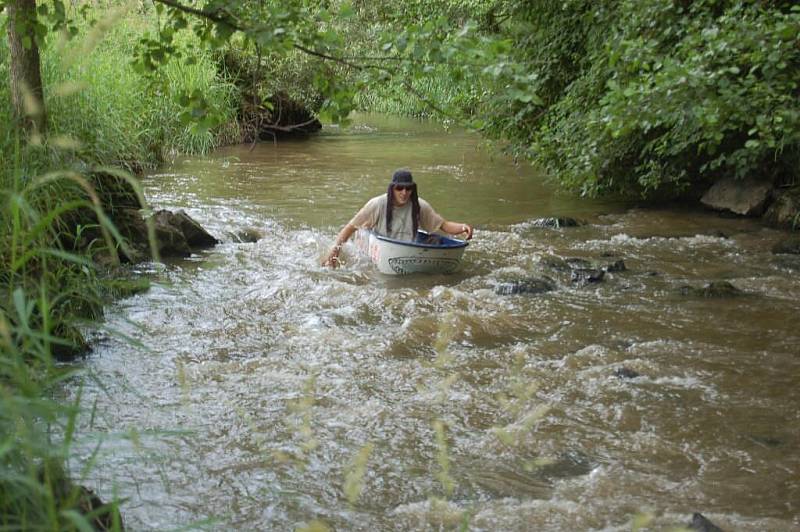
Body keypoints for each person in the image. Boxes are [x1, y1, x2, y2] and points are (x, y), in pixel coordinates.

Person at [323, 168, 474, 268]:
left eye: (408, 188)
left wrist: (462, 227)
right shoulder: (377, 204)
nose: (404, 192)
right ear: (392, 188)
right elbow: (351, 227)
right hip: (385, 246)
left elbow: (444, 225)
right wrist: (335, 251)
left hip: (407, 249)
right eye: (399, 188)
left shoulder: (419, 205)